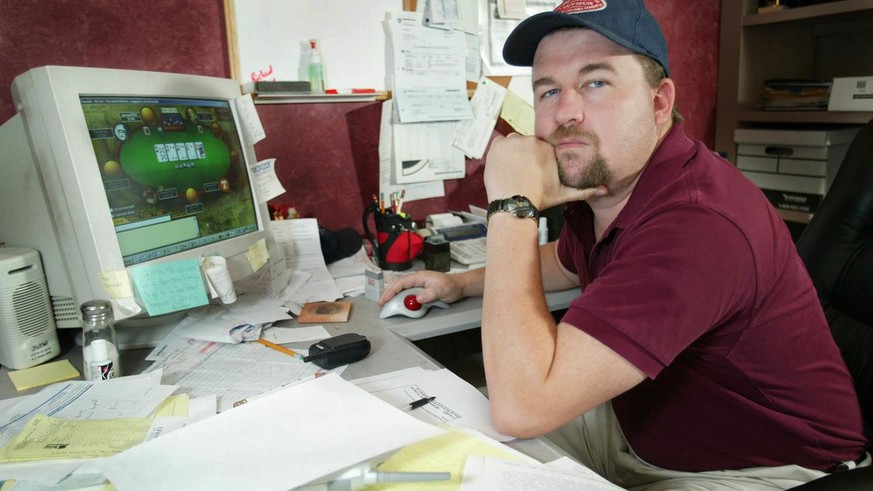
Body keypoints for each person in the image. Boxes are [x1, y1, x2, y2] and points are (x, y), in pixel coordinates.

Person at [380, 1, 869, 489]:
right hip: (642, 428)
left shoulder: (696, 224)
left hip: (766, 468)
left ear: (659, 103)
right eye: (549, 90)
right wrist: (460, 282)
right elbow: (568, 263)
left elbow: (522, 408)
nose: (566, 112)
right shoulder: (611, 187)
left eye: (596, 82)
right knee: (430, 448)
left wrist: (512, 205)